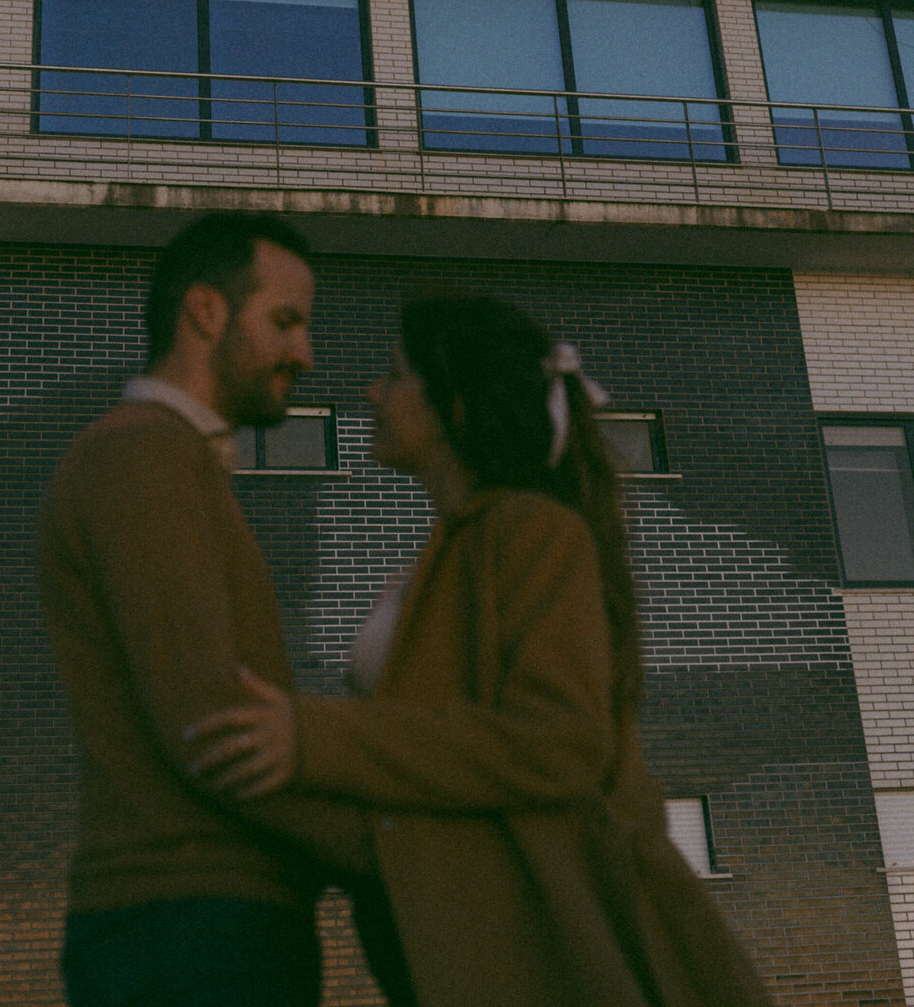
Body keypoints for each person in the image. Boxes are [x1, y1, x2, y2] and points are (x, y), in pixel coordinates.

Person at [186, 295, 774, 1007]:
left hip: (554, 957)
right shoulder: (454, 546)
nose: (374, 392)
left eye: (396, 376)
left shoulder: (532, 532)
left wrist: (311, 737)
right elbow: (428, 775)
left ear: (455, 408)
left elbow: (559, 741)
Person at [37, 211, 372, 1007]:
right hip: (190, 929)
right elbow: (210, 721)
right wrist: (383, 847)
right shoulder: (142, 453)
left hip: (196, 922)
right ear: (207, 313)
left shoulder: (167, 458)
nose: (306, 353)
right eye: (285, 321)